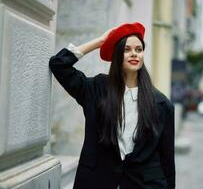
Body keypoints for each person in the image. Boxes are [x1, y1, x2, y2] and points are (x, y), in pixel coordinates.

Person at [49, 22, 175, 189]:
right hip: (98, 181)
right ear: (117, 54)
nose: (134, 54)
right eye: (127, 49)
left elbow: (167, 161)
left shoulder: (161, 104)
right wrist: (99, 41)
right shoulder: (96, 89)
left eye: (139, 49)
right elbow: (59, 65)